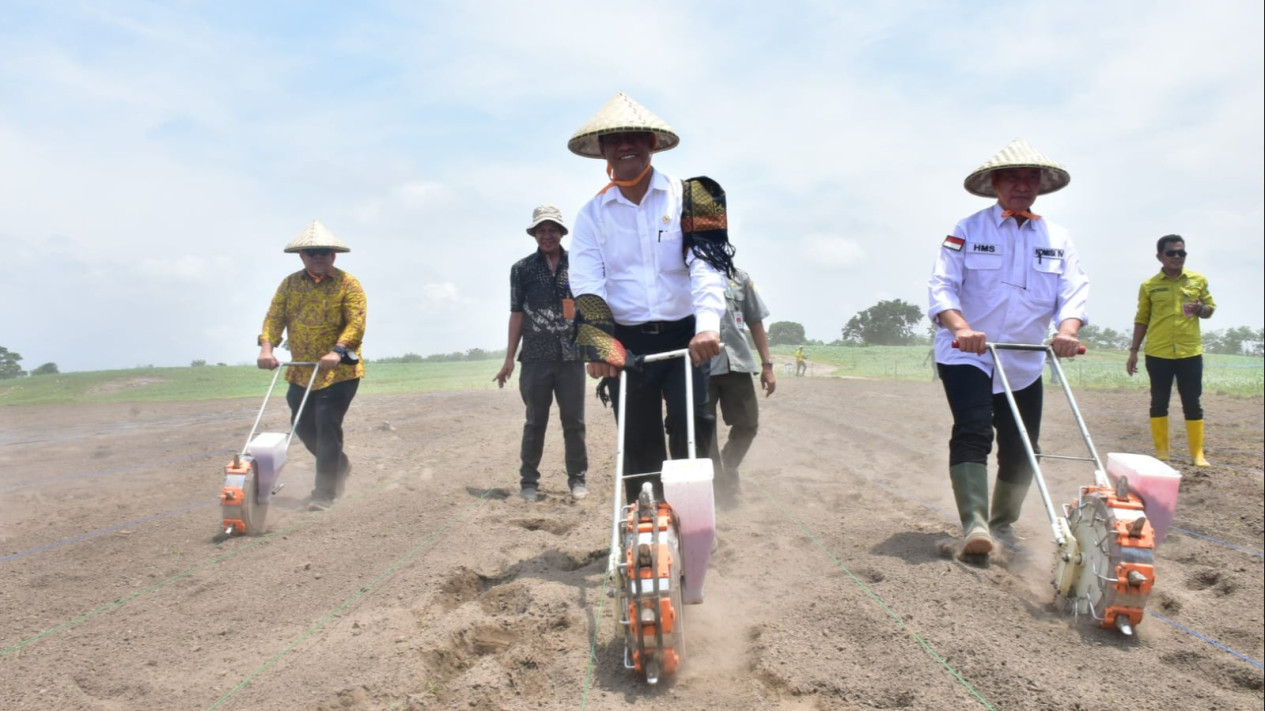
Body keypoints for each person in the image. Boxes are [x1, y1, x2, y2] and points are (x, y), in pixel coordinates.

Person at [566, 91, 730, 505]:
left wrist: (707, 326)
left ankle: (697, 522)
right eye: (614, 138)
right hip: (628, 343)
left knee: (694, 426)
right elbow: (587, 283)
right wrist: (600, 344)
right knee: (638, 443)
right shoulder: (591, 215)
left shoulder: (698, 196)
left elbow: (708, 267)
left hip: (686, 339)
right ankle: (646, 523)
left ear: (652, 143)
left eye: (635, 136)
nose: (625, 144)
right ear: (603, 149)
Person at [927, 138, 1089, 557]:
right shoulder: (966, 230)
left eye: (1030, 178)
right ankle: (975, 525)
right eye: (1013, 177)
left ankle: (1003, 525)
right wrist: (961, 327)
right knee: (975, 429)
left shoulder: (1057, 237)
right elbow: (942, 285)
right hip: (968, 353)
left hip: (1023, 358)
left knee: (1023, 447)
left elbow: (1073, 291)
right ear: (995, 183)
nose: (1022, 185)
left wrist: (1067, 330)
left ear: (1040, 185)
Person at [257, 219, 366, 512]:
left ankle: (324, 493)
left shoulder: (348, 284)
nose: (319, 257)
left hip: (339, 372)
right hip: (302, 370)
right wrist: (267, 347)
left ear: (334, 255)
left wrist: (337, 350)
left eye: (324, 252)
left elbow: (356, 323)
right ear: (301, 256)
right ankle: (339, 465)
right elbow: (274, 319)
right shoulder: (289, 284)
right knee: (303, 426)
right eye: (312, 252)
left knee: (326, 424)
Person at [494, 205, 589, 502]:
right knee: (535, 420)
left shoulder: (580, 265)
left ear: (561, 232)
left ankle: (577, 479)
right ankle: (529, 482)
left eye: (552, 229)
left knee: (574, 421)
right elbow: (517, 314)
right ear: (534, 234)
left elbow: (590, 308)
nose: (547, 235)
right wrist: (509, 358)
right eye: (541, 230)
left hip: (571, 356)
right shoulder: (521, 270)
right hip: (535, 357)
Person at [1126, 235, 1215, 467]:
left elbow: (1209, 309)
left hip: (1190, 352)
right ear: (1160, 257)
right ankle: (1162, 452)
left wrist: (1200, 308)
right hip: (1158, 352)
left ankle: (1197, 454)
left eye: (1181, 253)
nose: (1177, 257)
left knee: (1192, 402)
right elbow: (1142, 318)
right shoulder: (1149, 285)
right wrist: (1134, 350)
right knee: (1158, 401)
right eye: (1172, 253)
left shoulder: (1198, 280)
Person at [706, 267, 776, 507]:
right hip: (698, 365)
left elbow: (755, 320)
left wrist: (767, 365)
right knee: (702, 429)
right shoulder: (682, 274)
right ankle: (716, 487)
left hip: (736, 362)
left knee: (748, 423)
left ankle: (729, 465)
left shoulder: (739, 277)